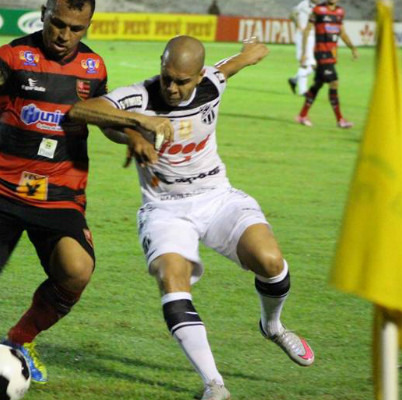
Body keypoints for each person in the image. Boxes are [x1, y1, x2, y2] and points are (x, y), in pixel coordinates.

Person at [0, 0, 173, 389]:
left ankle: (20, 341)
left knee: (76, 271)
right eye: (58, 24)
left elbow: (101, 119)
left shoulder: (94, 68)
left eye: (77, 28)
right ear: (44, 13)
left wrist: (131, 135)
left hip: (60, 191)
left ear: (88, 24)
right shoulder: (11, 55)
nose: (65, 35)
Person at [68, 36, 315, 400]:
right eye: (167, 77)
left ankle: (272, 326)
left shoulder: (211, 82)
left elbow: (228, 67)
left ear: (199, 75)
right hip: (164, 209)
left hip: (217, 197)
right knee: (172, 277)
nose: (171, 87)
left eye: (182, 81)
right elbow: (83, 111)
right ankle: (214, 384)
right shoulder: (141, 95)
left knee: (271, 262)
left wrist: (248, 55)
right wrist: (135, 128)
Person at [296, 0, 358, 128]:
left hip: (331, 54)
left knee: (318, 84)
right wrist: (303, 53)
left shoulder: (340, 12)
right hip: (321, 53)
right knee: (334, 82)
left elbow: (342, 33)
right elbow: (307, 30)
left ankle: (302, 115)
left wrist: (352, 48)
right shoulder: (318, 10)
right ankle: (340, 120)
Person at [287, 0, 317, 95]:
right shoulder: (304, 4)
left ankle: (294, 80)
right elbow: (292, 14)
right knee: (304, 62)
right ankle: (302, 91)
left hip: (312, 36)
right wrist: (298, 25)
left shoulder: (318, 6)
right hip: (303, 36)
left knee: (314, 65)